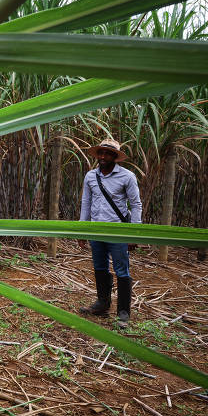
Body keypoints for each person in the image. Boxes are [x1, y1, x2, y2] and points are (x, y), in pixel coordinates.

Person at [77, 138, 142, 329]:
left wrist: (134, 233)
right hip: (96, 229)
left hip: (118, 231)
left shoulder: (127, 177)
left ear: (115, 157)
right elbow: (86, 203)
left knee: (122, 270)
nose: (103, 157)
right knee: (100, 267)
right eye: (101, 153)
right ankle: (102, 304)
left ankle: (123, 313)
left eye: (108, 153)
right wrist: (82, 229)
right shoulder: (90, 176)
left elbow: (136, 204)